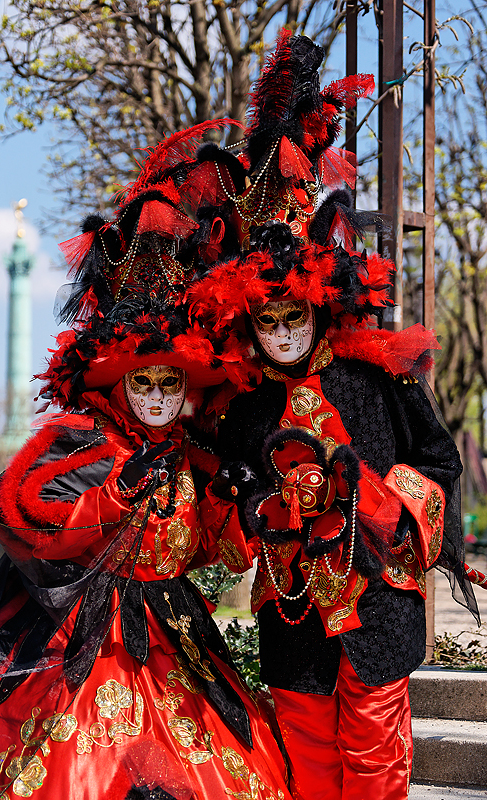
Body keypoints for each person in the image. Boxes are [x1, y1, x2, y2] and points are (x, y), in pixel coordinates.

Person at [0, 129, 291, 800]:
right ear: (120, 386)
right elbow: (17, 509)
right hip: (81, 643)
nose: (160, 398)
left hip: (174, 637)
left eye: (172, 384)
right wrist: (114, 494)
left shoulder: (191, 457)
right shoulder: (85, 437)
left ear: (188, 389)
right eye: (146, 384)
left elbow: (210, 548)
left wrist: (247, 505)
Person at [186, 30, 480, 800]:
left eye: (294, 319)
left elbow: (439, 462)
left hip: (379, 600)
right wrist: (264, 505)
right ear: (247, 325)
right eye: (266, 325)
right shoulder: (246, 400)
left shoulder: (376, 375)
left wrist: (381, 505)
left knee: (377, 758)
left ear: (319, 304)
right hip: (294, 612)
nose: (282, 336)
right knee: (307, 758)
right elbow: (235, 481)